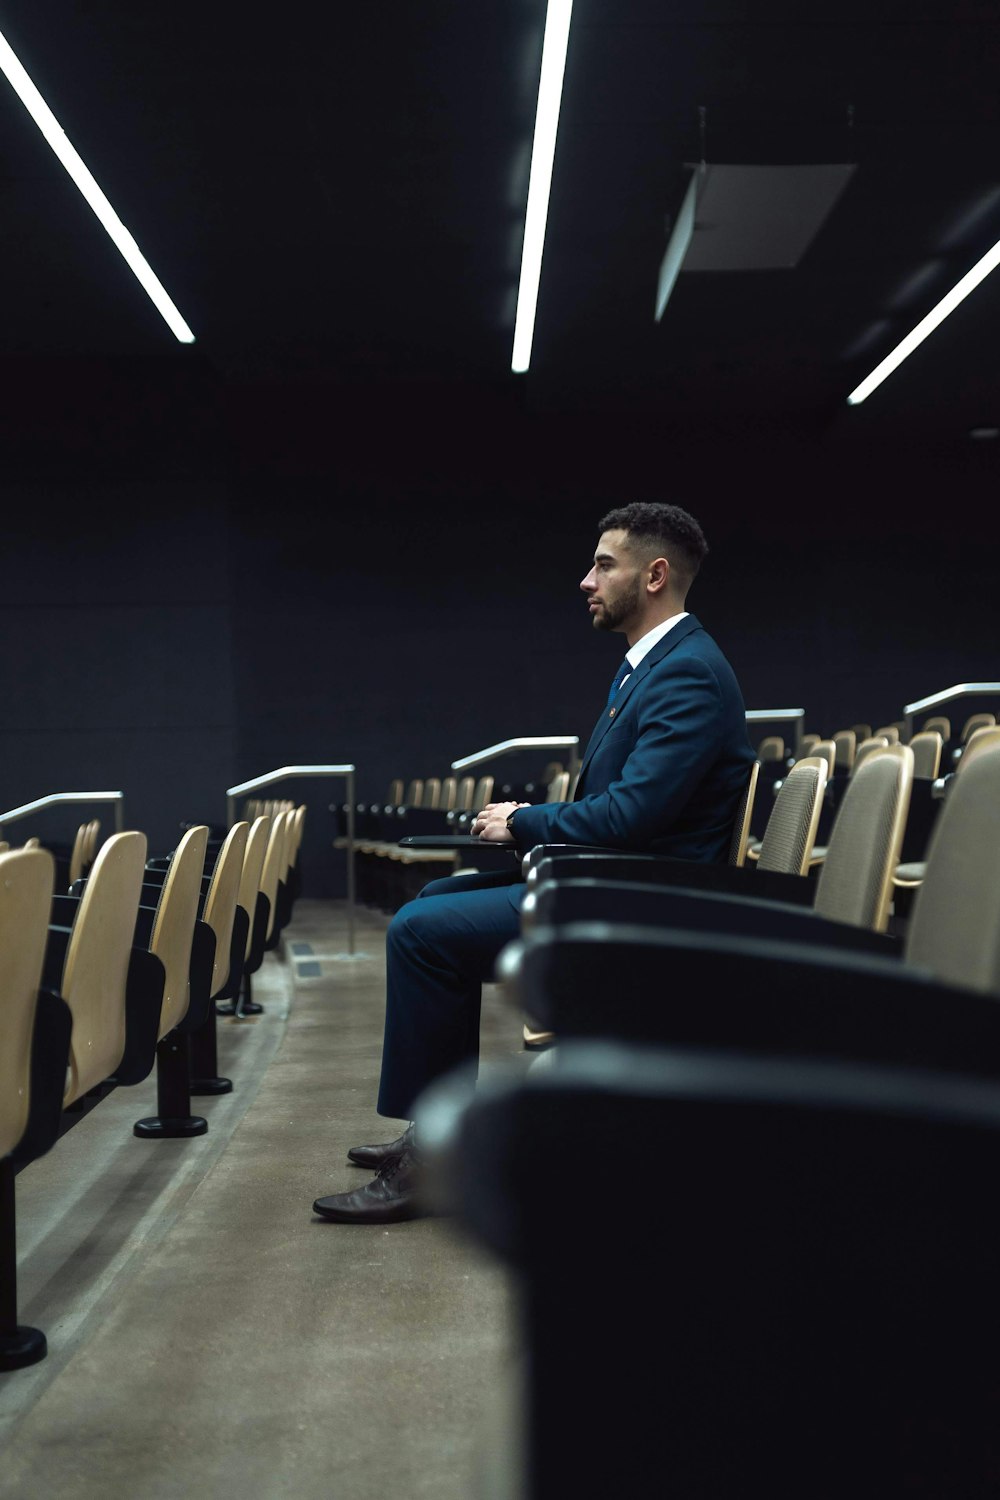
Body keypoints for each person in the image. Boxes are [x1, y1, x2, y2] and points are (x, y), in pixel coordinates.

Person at [313, 502, 756, 1223]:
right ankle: (433, 1133)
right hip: (608, 880)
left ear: (655, 575)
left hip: (639, 902)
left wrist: (523, 821)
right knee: (429, 903)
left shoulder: (688, 674)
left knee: (422, 935)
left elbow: (633, 817)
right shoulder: (651, 669)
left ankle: (433, 1161)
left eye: (603, 565)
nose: (586, 580)